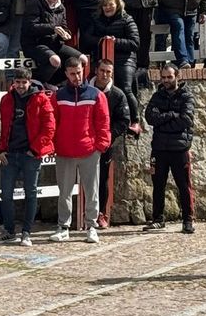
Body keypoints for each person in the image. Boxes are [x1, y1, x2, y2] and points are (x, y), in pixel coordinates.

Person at [49, 57, 111, 243]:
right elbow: (52, 122)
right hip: (64, 151)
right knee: (65, 191)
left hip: (89, 150)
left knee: (91, 191)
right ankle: (63, 226)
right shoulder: (58, 95)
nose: (76, 76)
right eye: (72, 73)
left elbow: (103, 122)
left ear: (83, 70)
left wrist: (100, 147)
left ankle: (91, 226)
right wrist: (53, 144)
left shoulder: (95, 95)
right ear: (66, 73)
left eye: (79, 72)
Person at [0, 67, 54, 246]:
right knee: (5, 194)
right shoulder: (6, 99)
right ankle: (9, 230)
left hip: (30, 154)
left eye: (24, 82)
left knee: (31, 193)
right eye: (17, 82)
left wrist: (35, 150)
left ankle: (27, 232)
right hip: (9, 154)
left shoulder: (41, 99)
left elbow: (49, 127)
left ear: (30, 82)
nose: (20, 86)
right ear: (14, 83)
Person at [143, 62, 197, 233]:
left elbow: (185, 121)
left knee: (184, 185)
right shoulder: (157, 96)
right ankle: (158, 218)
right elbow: (150, 117)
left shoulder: (186, 96)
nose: (166, 80)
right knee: (158, 185)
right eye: (164, 77)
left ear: (177, 77)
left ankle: (188, 219)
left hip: (179, 148)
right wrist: (172, 115)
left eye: (169, 77)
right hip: (159, 148)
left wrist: (163, 120)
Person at [91, 57, 139, 229]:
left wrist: (108, 136)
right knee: (83, 179)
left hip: (105, 144)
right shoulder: (85, 90)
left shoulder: (118, 95)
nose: (105, 75)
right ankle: (85, 213)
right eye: (102, 70)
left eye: (108, 72)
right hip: (84, 143)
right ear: (96, 70)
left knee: (102, 178)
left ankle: (101, 213)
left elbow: (124, 121)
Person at [24, 0, 80, 83]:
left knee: (82, 60)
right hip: (35, 44)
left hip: (54, 43)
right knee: (55, 60)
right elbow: (31, 27)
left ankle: (55, 83)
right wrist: (52, 28)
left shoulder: (61, 7)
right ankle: (37, 82)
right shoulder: (35, 4)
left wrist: (66, 34)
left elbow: (64, 26)